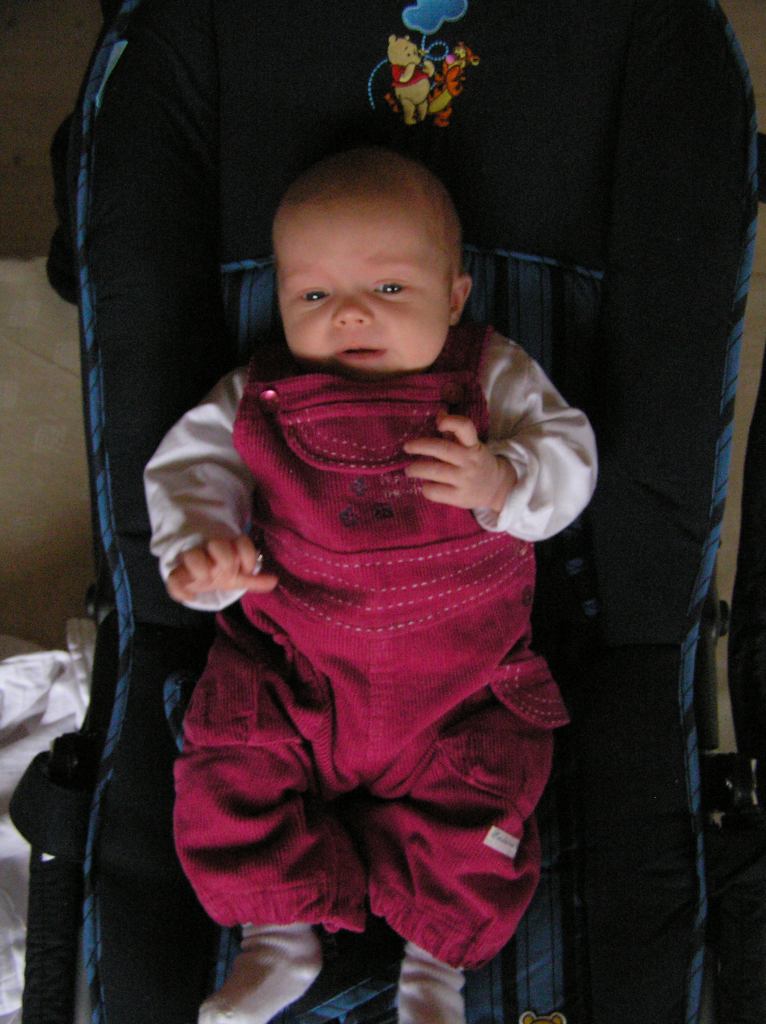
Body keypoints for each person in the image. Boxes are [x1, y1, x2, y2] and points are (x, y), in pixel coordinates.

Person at [144, 146, 597, 1024]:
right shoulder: (255, 396)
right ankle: (279, 935)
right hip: (295, 671)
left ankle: (434, 971)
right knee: (226, 766)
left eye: (389, 288)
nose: (350, 313)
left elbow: (569, 459)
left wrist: (504, 479)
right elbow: (190, 473)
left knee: (489, 808)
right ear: (280, 299)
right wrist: (203, 552)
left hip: (459, 692)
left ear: (455, 297)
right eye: (314, 295)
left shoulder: (490, 376)